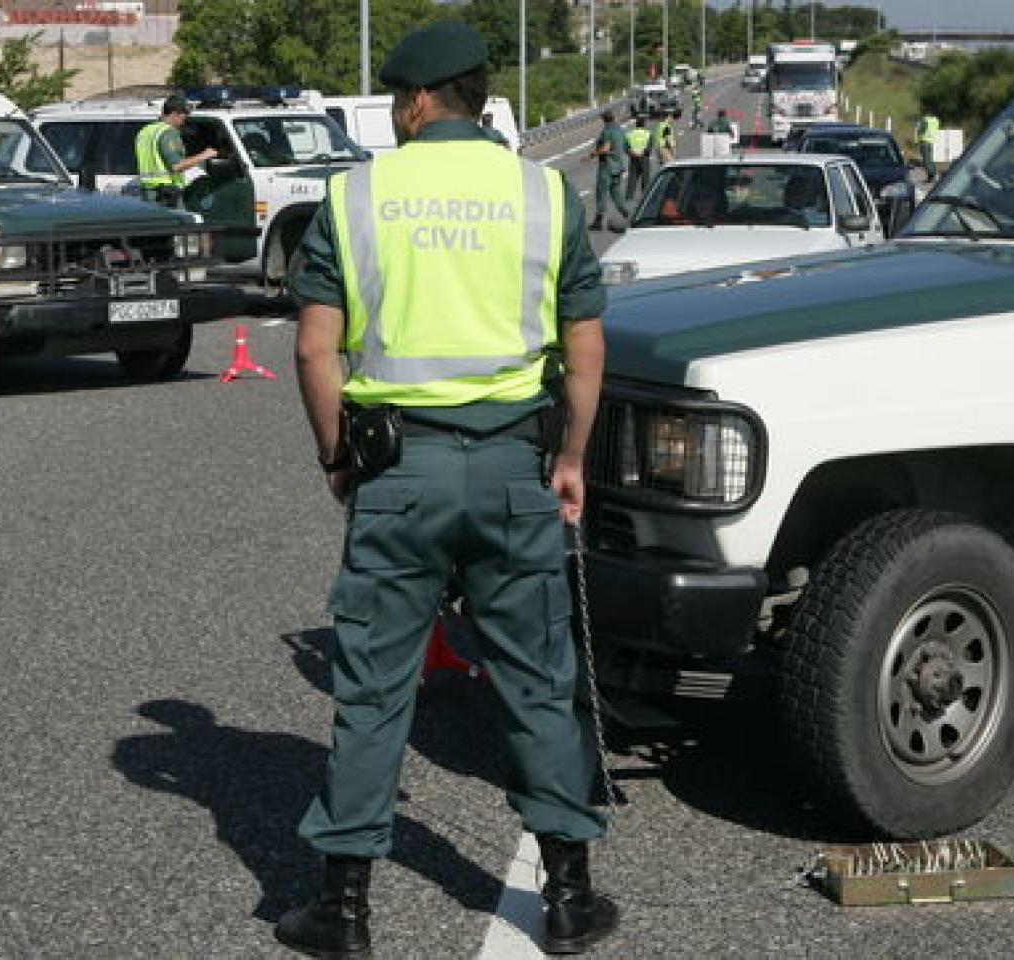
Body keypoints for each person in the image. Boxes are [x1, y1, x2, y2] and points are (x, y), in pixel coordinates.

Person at [283, 19, 617, 960]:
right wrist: (572, 460)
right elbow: (585, 347)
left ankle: (343, 911)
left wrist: (337, 459)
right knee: (537, 682)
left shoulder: (355, 196)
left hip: (399, 471)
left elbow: (315, 346)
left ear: (420, 100)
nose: (394, 115)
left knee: (375, 688)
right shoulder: (545, 193)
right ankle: (570, 898)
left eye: (396, 101)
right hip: (515, 467)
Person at [134, 95, 219, 208]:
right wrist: (206, 154)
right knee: (180, 224)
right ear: (174, 114)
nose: (184, 120)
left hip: (147, 190)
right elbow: (176, 166)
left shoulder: (145, 131)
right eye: (184, 116)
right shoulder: (168, 132)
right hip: (166, 194)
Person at [588, 109, 632, 231]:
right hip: (618, 166)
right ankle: (627, 214)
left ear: (604, 120)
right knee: (616, 193)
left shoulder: (607, 131)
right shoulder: (620, 131)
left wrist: (593, 154)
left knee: (602, 193)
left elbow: (606, 148)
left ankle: (598, 221)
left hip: (607, 166)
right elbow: (628, 148)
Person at [624, 115, 654, 201]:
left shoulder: (629, 134)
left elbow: (625, 148)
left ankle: (629, 196)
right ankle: (645, 196)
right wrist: (642, 153)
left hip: (633, 158)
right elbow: (649, 149)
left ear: (636, 125)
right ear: (644, 124)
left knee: (632, 178)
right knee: (645, 178)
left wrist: (632, 153)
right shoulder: (648, 134)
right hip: (644, 158)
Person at [916, 110, 940, 180]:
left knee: (926, 161)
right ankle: (934, 174)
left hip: (924, 141)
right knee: (930, 159)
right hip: (931, 142)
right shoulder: (936, 120)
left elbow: (921, 130)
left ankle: (931, 175)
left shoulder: (925, 120)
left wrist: (918, 127)